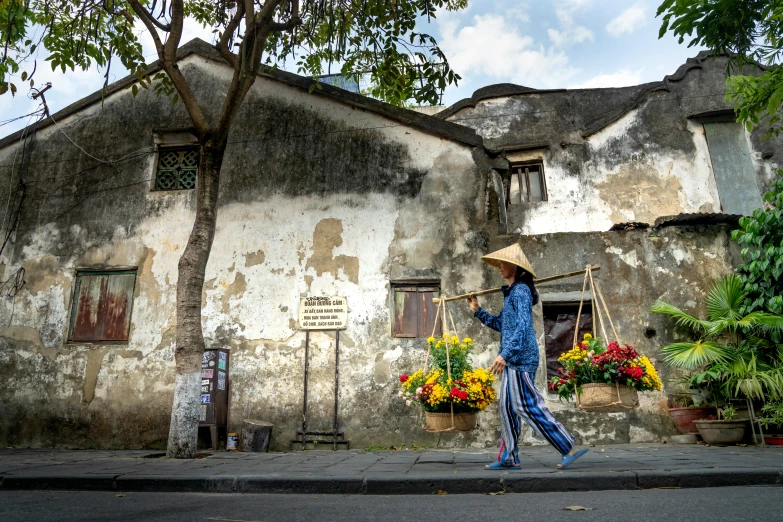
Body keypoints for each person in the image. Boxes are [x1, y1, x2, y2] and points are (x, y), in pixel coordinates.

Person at [467, 243, 588, 471]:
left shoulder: (521, 291)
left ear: (515, 266)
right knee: (507, 408)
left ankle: (567, 446)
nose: (499, 267)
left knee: (526, 405)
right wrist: (477, 310)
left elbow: (523, 328)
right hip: (513, 359)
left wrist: (505, 355)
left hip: (521, 358)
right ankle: (508, 458)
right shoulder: (513, 294)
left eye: (503, 263)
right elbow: (502, 324)